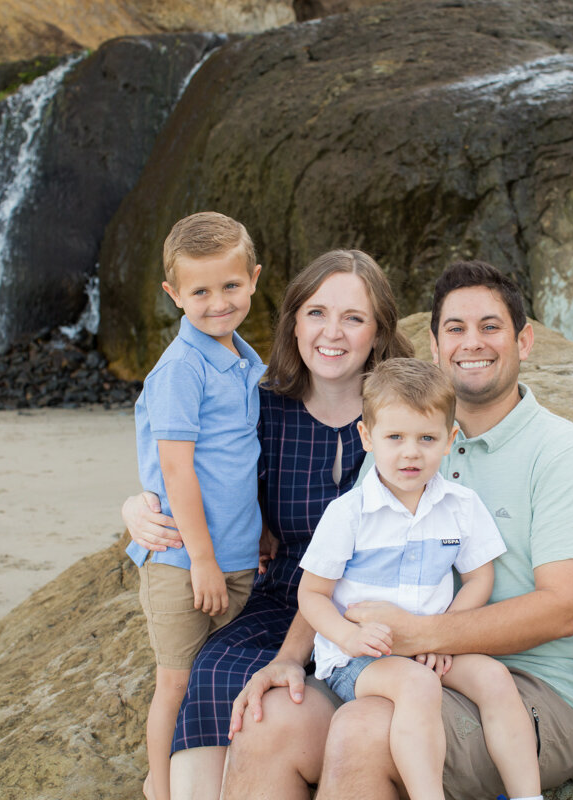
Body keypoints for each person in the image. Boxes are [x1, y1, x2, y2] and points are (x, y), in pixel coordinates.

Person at [224, 260, 573, 800]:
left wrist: (422, 634)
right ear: (433, 345)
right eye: (455, 328)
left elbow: (562, 609)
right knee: (269, 720)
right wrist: (289, 659)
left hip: (533, 688)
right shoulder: (398, 442)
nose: (471, 342)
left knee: (365, 732)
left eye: (490, 326)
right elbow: (336, 571)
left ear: (525, 341)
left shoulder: (563, 453)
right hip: (394, 662)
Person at [123, 249, 414, 800]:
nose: (332, 332)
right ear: (294, 322)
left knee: (288, 701)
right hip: (281, 596)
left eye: (353, 317)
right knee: (210, 673)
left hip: (371, 609)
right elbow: (199, 466)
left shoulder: (403, 420)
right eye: (316, 313)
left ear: (378, 333)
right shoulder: (263, 404)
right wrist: (136, 507)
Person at [298, 358, 541, 800]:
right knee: (416, 684)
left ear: (449, 440)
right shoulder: (349, 514)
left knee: (494, 678)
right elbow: (312, 594)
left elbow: (479, 579)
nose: (410, 452)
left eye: (426, 438)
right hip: (360, 658)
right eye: (395, 438)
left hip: (433, 647)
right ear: (368, 437)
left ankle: (528, 795)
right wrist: (347, 638)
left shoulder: (461, 505)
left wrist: (443, 637)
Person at [127, 212, 266, 800]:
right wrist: (204, 559)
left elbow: (239, 461)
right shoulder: (182, 368)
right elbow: (178, 468)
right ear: (173, 295)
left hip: (238, 557)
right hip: (184, 561)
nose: (217, 302)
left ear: (254, 280)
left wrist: (258, 535)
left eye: (230, 286)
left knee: (224, 682)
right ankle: (159, 788)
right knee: (178, 682)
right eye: (199, 291)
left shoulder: (244, 357)